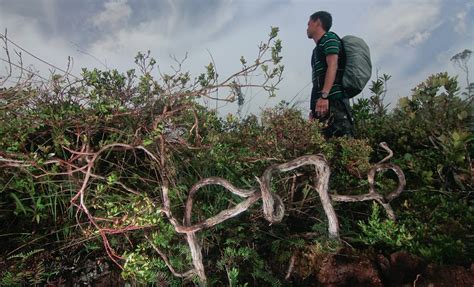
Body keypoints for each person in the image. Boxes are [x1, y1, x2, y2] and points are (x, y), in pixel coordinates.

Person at [307, 11, 354, 137]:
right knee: (323, 146)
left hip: (334, 102)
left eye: (309, 24)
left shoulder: (329, 38)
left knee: (343, 144)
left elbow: (333, 65)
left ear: (317, 23)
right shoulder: (317, 49)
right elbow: (317, 81)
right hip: (322, 105)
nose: (307, 28)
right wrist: (313, 110)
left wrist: (324, 96)